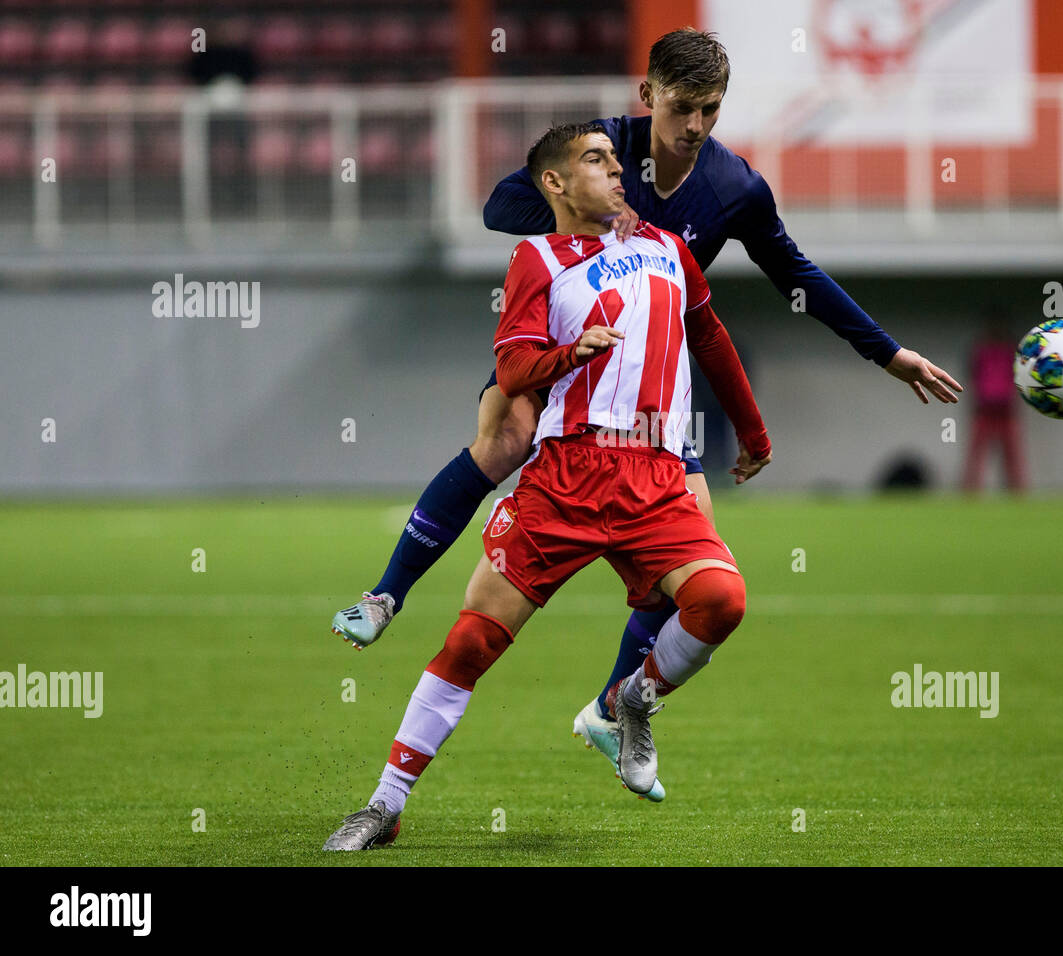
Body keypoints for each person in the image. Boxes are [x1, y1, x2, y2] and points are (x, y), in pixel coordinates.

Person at [330, 28, 961, 801]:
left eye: (712, 110)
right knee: (509, 429)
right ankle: (388, 591)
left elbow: (795, 272)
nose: (696, 126)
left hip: (653, 396)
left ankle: (612, 708)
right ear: (649, 97)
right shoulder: (604, 155)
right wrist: (578, 209)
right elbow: (502, 205)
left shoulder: (734, 188)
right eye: (683, 107)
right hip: (571, 353)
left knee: (695, 563)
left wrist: (887, 353)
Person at [322, 122, 771, 850]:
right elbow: (513, 372)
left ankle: (630, 700)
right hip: (567, 475)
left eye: (616, 161)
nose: (617, 171)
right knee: (472, 642)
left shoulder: (667, 248)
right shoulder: (536, 259)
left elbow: (710, 336)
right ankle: (384, 804)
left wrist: (753, 433)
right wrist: (568, 355)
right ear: (555, 185)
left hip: (656, 475)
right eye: (596, 161)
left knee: (721, 598)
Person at [961, 310, 1025, 492]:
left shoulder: (1013, 349)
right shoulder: (980, 349)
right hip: (983, 408)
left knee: (1012, 453)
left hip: (1007, 409)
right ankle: (970, 491)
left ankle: (1017, 492)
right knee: (976, 452)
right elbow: (973, 375)